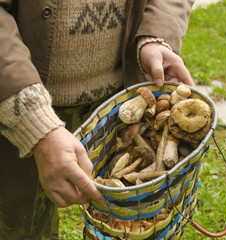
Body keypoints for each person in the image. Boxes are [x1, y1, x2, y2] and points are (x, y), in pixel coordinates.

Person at [0, 0, 195, 239]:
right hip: (14, 104)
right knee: (19, 224)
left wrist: (156, 35)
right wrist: (33, 120)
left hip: (120, 99)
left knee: (127, 224)